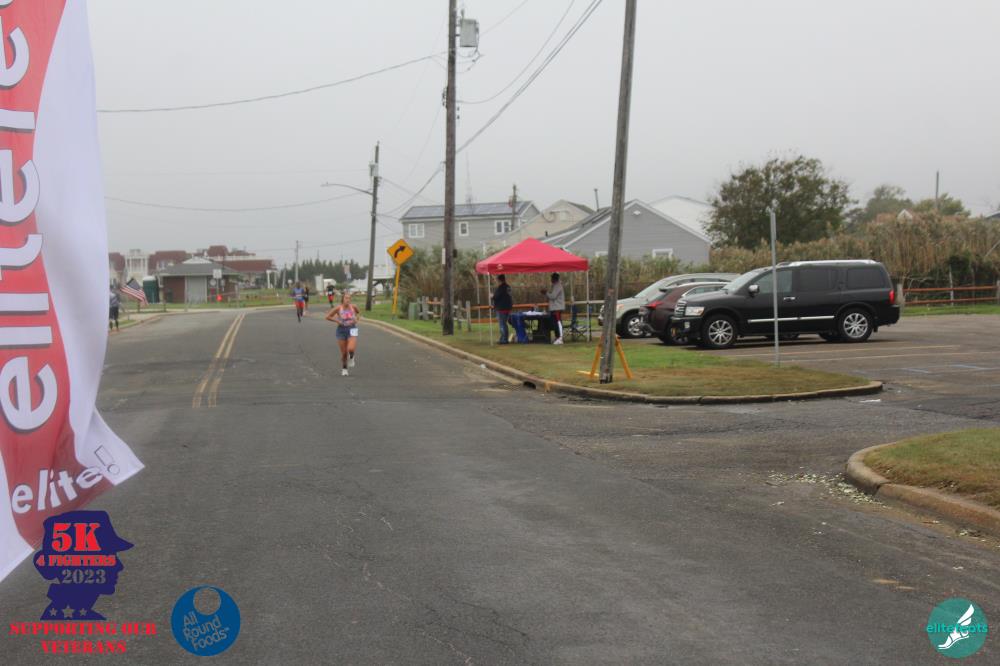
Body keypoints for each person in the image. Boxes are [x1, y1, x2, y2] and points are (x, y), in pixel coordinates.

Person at [326, 292, 360, 376]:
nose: (348, 300)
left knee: (351, 349)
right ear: (343, 299)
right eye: (346, 298)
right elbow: (328, 317)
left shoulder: (354, 307)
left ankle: (351, 357)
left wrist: (356, 319)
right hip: (341, 330)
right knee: (344, 353)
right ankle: (344, 368)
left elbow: (358, 313)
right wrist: (337, 321)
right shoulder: (338, 308)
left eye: (349, 298)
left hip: (352, 329)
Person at [541, 272, 565, 344]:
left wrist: (546, 293)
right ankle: (557, 337)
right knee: (555, 323)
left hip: (557, 308)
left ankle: (560, 338)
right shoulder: (554, 286)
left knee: (558, 322)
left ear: (554, 278)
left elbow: (553, 296)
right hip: (554, 308)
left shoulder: (558, 286)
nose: (551, 279)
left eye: (551, 278)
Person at [492, 274, 513, 344]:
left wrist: (492, 296)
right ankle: (504, 338)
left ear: (499, 280)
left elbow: (496, 297)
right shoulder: (508, 287)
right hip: (508, 307)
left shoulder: (501, 288)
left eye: (497, 280)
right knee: (504, 324)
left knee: (502, 324)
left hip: (501, 308)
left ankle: (504, 339)